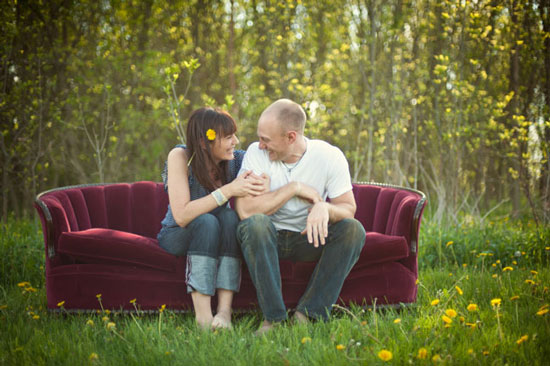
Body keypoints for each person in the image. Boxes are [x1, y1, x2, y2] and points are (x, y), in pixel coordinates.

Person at [235, 98, 366, 333]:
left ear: (291, 137)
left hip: (309, 238)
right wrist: (293, 188)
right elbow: (246, 211)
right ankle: (273, 320)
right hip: (267, 238)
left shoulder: (329, 156)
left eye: (266, 139)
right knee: (256, 224)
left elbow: (348, 208)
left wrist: (325, 208)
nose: (261, 145)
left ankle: (308, 315)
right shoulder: (255, 154)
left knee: (353, 230)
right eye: (260, 138)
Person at [157, 107, 267, 330]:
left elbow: (265, 163)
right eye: (228, 137)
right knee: (207, 221)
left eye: (234, 135)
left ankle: (225, 313)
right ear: (203, 141)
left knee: (229, 217)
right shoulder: (180, 157)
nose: (235, 141)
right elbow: (181, 215)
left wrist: (266, 180)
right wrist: (228, 191)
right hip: (178, 233)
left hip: (218, 230)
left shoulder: (237, 160)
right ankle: (204, 318)